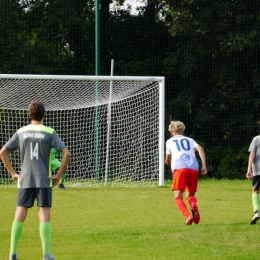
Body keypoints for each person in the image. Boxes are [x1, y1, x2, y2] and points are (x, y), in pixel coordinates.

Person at [0, 101, 71, 260]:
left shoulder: (21, 132)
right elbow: (66, 154)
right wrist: (58, 176)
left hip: (25, 179)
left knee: (20, 213)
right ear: (45, 115)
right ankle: (46, 254)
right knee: (44, 213)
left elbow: (3, 152)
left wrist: (12, 173)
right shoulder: (49, 132)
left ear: (28, 115)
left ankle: (12, 253)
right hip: (43, 180)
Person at [165, 121, 207, 225]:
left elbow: (167, 160)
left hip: (179, 169)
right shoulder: (190, 140)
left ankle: (188, 216)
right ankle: (193, 205)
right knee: (190, 195)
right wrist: (204, 165)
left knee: (178, 197)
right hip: (193, 168)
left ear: (171, 132)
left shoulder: (170, 141)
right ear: (183, 131)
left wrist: (167, 162)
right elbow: (200, 148)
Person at [246, 134, 260, 224]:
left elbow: (252, 153)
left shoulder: (256, 139)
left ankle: (256, 212)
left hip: (258, 170)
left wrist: (248, 169)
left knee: (255, 190)